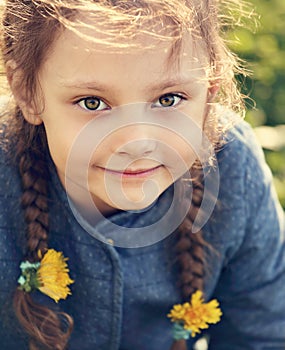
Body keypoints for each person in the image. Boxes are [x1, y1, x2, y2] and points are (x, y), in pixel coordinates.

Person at [0, 0, 284, 349]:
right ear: (27, 91)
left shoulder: (233, 167)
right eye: (92, 103)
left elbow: (264, 334)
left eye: (168, 100)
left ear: (209, 92)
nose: (136, 142)